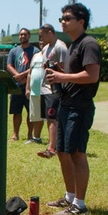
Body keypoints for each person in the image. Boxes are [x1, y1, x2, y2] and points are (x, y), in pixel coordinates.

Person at [45, 4, 101, 215]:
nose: (63, 21)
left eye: (68, 18)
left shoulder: (89, 44)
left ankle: (80, 205)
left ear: (81, 21)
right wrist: (59, 71)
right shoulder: (74, 45)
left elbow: (92, 75)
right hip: (66, 104)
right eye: (62, 18)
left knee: (77, 154)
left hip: (80, 106)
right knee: (62, 151)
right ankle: (69, 196)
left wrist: (62, 77)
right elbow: (75, 74)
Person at [35, 23, 68, 159]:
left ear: (50, 32)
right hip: (45, 88)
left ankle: (51, 148)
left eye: (42, 35)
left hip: (55, 88)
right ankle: (55, 145)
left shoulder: (60, 47)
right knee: (49, 118)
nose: (41, 38)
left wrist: (55, 68)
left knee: (52, 118)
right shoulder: (46, 48)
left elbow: (66, 70)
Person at [5, 28, 40, 142]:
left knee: (31, 112)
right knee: (16, 111)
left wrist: (23, 76)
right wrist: (18, 76)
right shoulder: (13, 51)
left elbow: (34, 66)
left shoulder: (35, 51)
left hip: (30, 85)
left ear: (29, 36)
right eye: (21, 35)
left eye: (25, 34)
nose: (22, 36)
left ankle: (30, 135)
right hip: (16, 85)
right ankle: (15, 134)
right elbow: (9, 66)